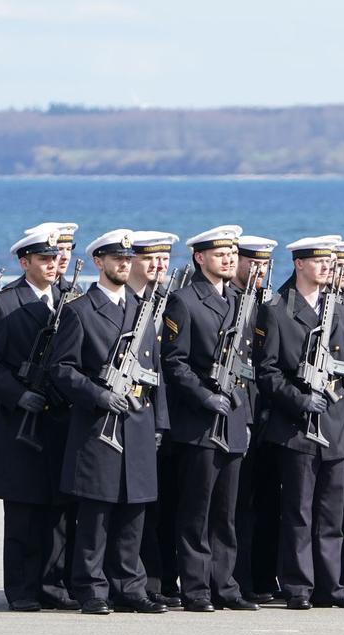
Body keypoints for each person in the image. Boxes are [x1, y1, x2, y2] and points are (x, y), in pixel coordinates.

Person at [49, 229, 168, 615]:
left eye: (127, 257)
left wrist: (159, 423)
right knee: (96, 515)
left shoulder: (140, 310)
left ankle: (130, 586)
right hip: (98, 426)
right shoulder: (80, 310)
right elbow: (62, 370)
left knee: (134, 513)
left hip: (137, 422)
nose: (123, 263)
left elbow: (154, 371)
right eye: (115, 257)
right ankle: (91, 587)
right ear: (98, 262)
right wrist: (98, 394)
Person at [253, 236, 344, 609]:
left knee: (332, 516)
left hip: (333, 425)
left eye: (330, 262)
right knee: (299, 513)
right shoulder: (278, 310)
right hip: (298, 427)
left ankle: (330, 585)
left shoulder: (337, 307)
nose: (326, 268)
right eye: (318, 262)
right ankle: (299, 586)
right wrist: (299, 400)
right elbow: (267, 372)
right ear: (299, 264)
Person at [0, 224, 79, 612]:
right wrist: (19, 395)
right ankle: (21, 589)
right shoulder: (6, 302)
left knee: (58, 511)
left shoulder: (69, 298)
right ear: (24, 262)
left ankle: (54, 586)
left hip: (59, 423)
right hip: (20, 424)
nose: (53, 265)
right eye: (44, 259)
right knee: (22, 512)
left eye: (55, 258)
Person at [161, 225, 259, 612]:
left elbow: (246, 367)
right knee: (196, 511)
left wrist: (246, 416)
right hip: (200, 423)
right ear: (200, 258)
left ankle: (226, 584)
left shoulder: (240, 300)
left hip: (233, 420)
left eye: (233, 253)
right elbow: (175, 362)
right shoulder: (184, 301)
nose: (230, 259)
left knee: (226, 512)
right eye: (221, 254)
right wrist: (205, 396)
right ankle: (197, 587)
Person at [127, 230, 184, 607]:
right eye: (150, 258)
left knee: (169, 507)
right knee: (140, 509)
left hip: (170, 420)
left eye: (164, 259)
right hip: (135, 419)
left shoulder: (168, 301)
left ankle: (164, 578)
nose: (159, 265)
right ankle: (144, 580)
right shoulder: (129, 303)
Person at [231, 235, 284, 603]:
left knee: (269, 505)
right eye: (253, 263)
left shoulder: (273, 304)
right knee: (238, 506)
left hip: (270, 416)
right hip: (239, 414)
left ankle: (265, 577)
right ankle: (240, 578)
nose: (259, 270)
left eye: (264, 265)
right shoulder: (232, 303)